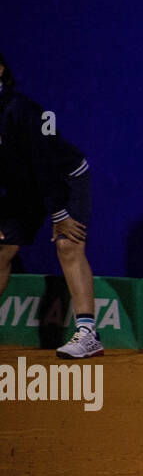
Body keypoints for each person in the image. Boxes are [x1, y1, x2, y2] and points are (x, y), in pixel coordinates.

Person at [0, 55, 102, 360]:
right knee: (2, 247)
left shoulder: (19, 109)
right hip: (25, 186)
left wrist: (59, 214)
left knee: (68, 245)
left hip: (63, 177)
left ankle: (88, 334)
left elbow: (43, 163)